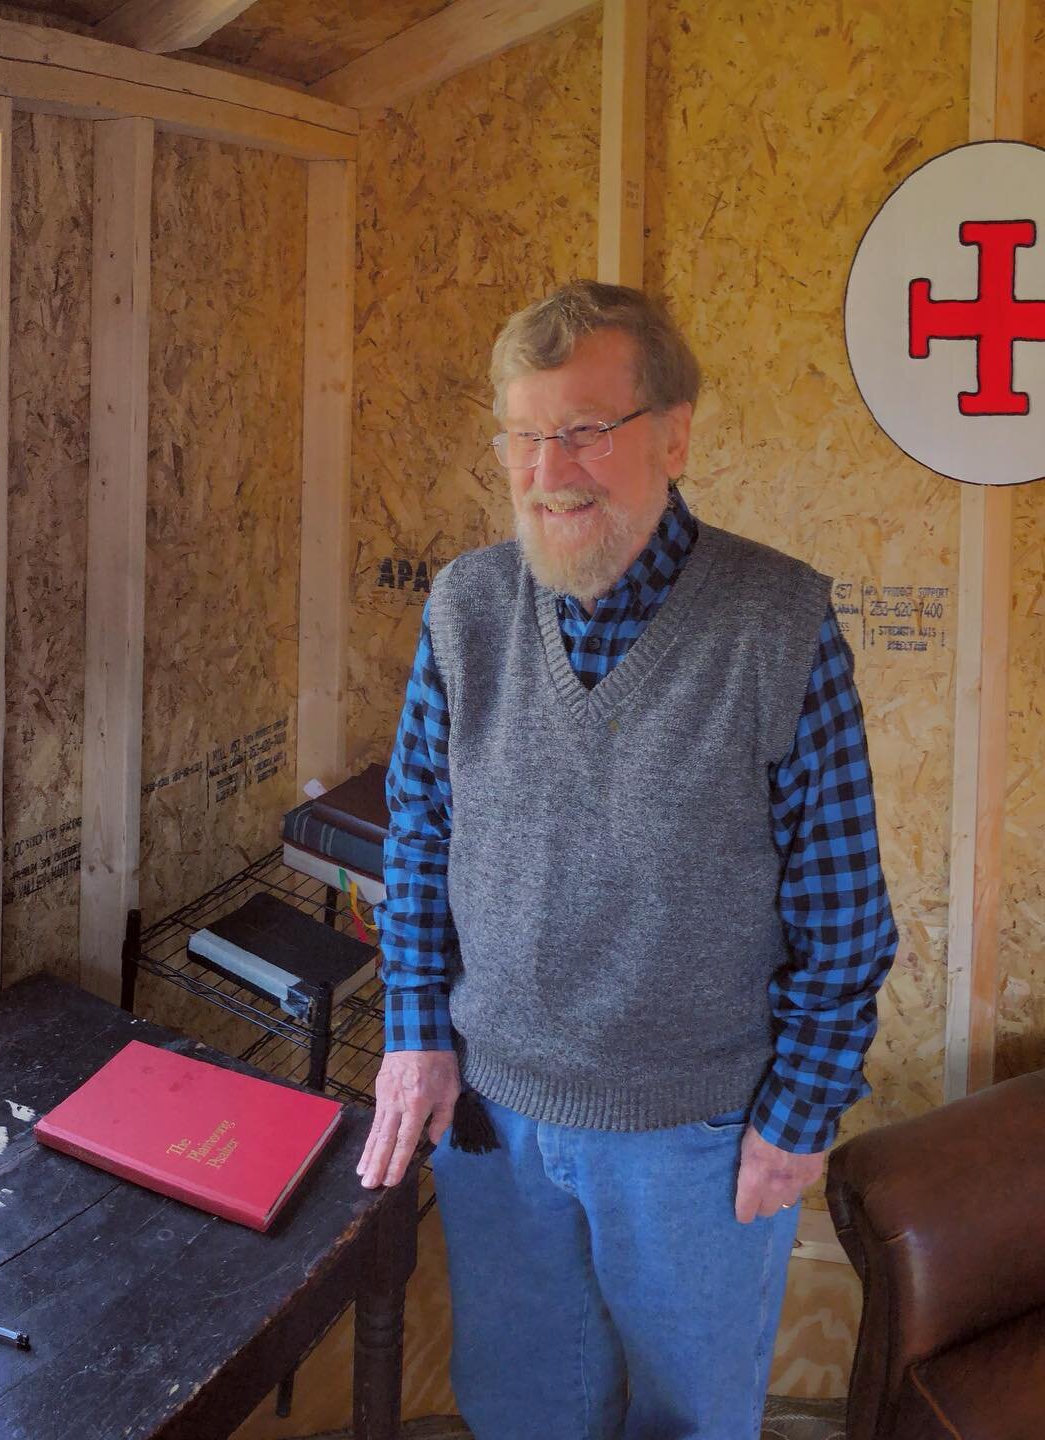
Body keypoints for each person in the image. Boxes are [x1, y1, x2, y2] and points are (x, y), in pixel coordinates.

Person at [357, 280, 898, 1440]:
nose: (551, 468)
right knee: (526, 1411)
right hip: (497, 1125)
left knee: (686, 1421)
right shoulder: (466, 608)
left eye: (587, 432)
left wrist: (799, 1115)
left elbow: (845, 913)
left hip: (694, 1137)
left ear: (676, 434)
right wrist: (416, 1036)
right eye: (526, 434)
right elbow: (417, 838)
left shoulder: (778, 623)